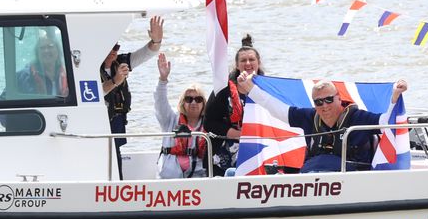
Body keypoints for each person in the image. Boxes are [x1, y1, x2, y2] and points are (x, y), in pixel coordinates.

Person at [237, 73, 409, 173]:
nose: (324, 106)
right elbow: (278, 110)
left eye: (328, 100)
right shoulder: (310, 117)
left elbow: (386, 122)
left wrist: (394, 96)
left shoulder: (358, 118)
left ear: (339, 99)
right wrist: (250, 89)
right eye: (319, 102)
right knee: (232, 173)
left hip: (350, 181)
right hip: (313, 181)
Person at [100, 15, 164, 179]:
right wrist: (115, 81)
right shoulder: (89, 66)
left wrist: (156, 41)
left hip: (116, 124)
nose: (113, 52)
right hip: (98, 125)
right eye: (108, 47)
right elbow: (94, 93)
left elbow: (146, 53)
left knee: (117, 163)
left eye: (116, 47)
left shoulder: (122, 62)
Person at [204, 34, 263, 175]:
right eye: (243, 60)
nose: (248, 63)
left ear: (258, 63)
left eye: (251, 60)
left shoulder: (267, 89)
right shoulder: (223, 89)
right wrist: (238, 134)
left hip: (257, 150)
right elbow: (209, 122)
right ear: (237, 65)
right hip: (223, 154)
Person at [154, 53, 208, 179]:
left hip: (198, 173)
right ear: (183, 102)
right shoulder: (170, 119)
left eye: (198, 99)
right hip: (170, 173)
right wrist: (162, 80)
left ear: (203, 103)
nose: (193, 102)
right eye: (189, 99)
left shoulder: (208, 123)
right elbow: (160, 102)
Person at [17, 30, 69, 97]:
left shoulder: (69, 75)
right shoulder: (23, 76)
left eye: (50, 47)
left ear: (58, 51)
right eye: (42, 48)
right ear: (37, 53)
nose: (46, 51)